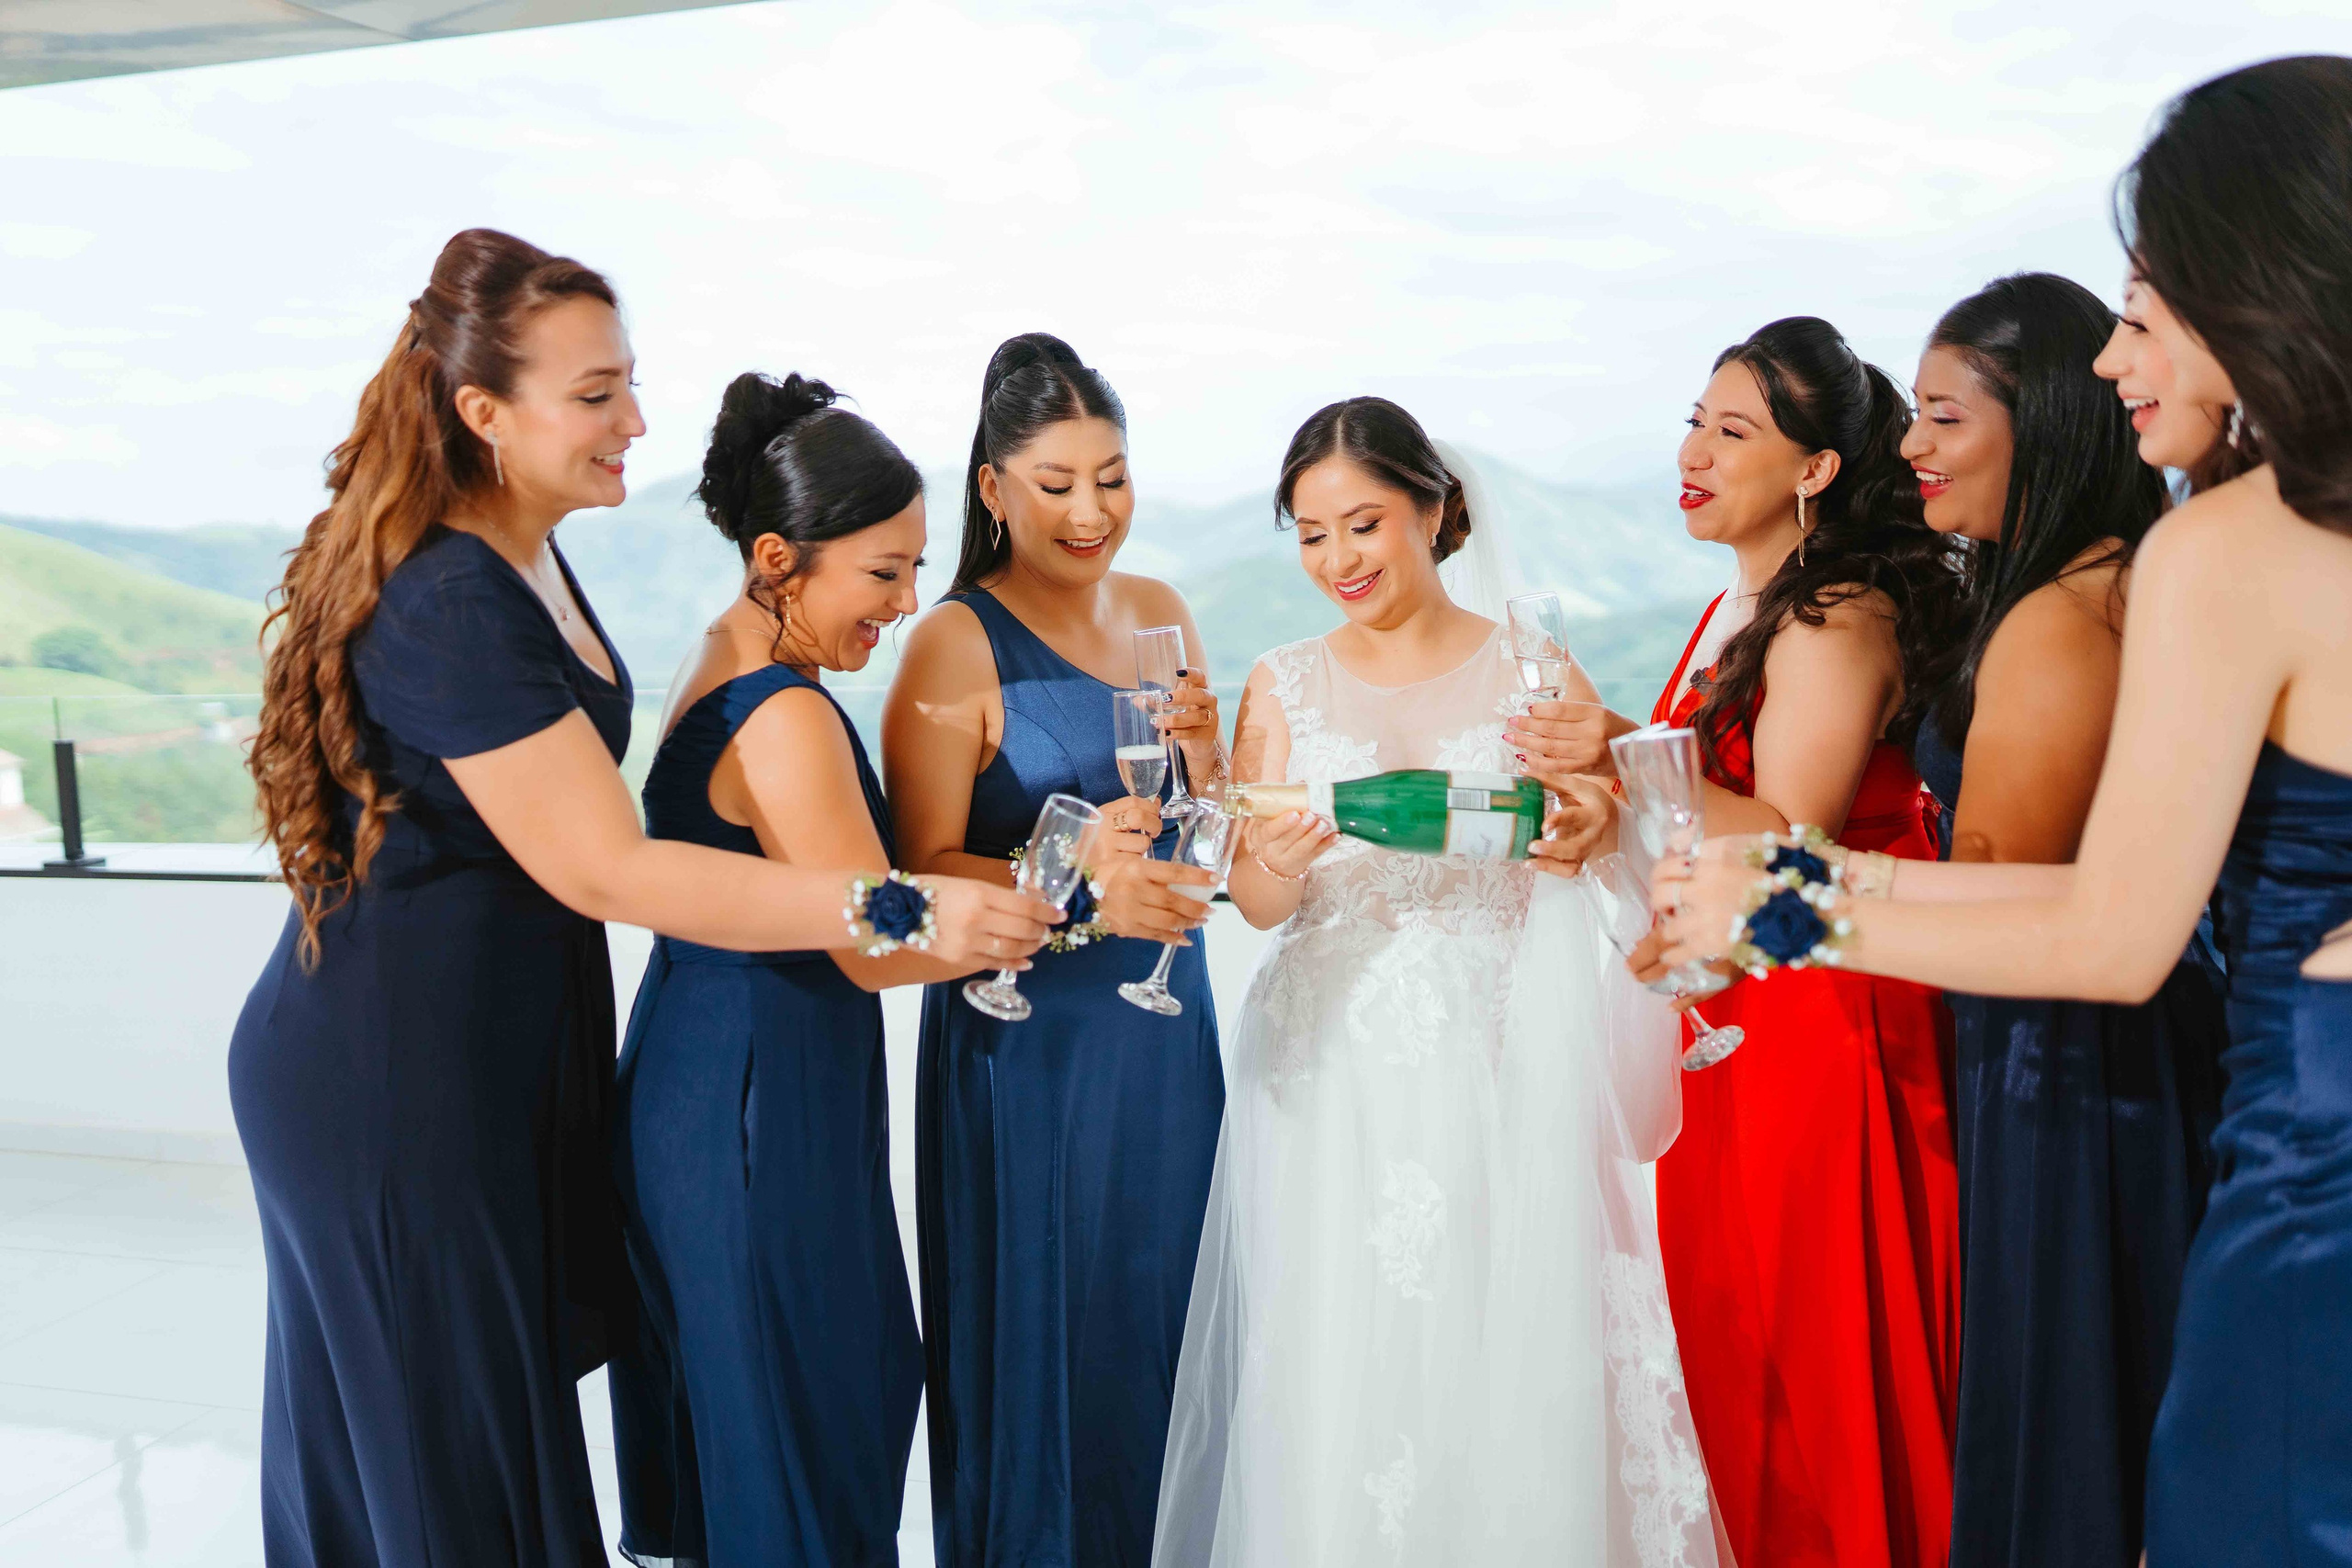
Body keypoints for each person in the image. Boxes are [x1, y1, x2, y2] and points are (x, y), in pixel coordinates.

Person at [229, 231, 1054, 1568]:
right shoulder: (449, 595)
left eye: (632, 384)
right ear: (481, 410)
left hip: (492, 1056)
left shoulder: (532, 558)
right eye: (596, 394)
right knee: (448, 1479)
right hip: (395, 1074)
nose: (637, 423)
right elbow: (605, 866)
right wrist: (906, 913)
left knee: (464, 1454)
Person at [1656, 57, 2352, 1568]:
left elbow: (2112, 928)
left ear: (2261, 283)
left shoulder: (2232, 550)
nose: (2117, 354)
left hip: (2311, 1174)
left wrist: (1789, 900)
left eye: (2147, 305)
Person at [1153, 397, 1720, 1567]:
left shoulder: (1529, 664)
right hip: (1326, 1073)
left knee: (1494, 1346)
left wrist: (1585, 824)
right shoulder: (1281, 684)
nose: (1338, 560)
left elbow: (1595, 833)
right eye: (1310, 536)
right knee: (1339, 1361)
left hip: (1494, 1053)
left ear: (1434, 508)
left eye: (1362, 524)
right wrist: (1272, 857)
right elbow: (1255, 905)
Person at [1537, 317, 1968, 1568]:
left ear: (1816, 469)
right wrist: (1597, 817)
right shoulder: (1732, 613)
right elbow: (1682, 829)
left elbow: (1788, 840)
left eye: (1735, 432)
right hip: (1729, 1030)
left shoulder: (1836, 615)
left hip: (1822, 1035)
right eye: (1696, 421)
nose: (1695, 451)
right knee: (1736, 1370)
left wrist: (1616, 741)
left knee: (1820, 1369)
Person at [607, 372, 999, 1566]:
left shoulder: (715, 661)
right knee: (811, 1408)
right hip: (758, 1107)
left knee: (750, 1413)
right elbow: (875, 937)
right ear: (780, 556)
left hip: (697, 1073)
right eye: (883, 572)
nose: (906, 601)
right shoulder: (785, 713)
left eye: (917, 568)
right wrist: (1071, 900)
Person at [1898, 273, 2227, 1568]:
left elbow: (1996, 875)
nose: (1911, 445)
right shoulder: (2086, 584)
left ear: (2040, 424)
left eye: (1942, 416)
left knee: (2068, 1406)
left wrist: (1786, 900)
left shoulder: (2060, 614)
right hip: (2078, 1039)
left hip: (2065, 1058)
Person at [883, 332, 1227, 1567]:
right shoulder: (951, 644)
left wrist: (1210, 760)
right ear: (991, 487)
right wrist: (1081, 870)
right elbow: (917, 873)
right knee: (1049, 1335)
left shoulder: (1163, 613)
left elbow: (1206, 830)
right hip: (1030, 1050)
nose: (1094, 510)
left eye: (1114, 475)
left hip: (1164, 1032)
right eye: (1057, 482)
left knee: (1171, 1323)